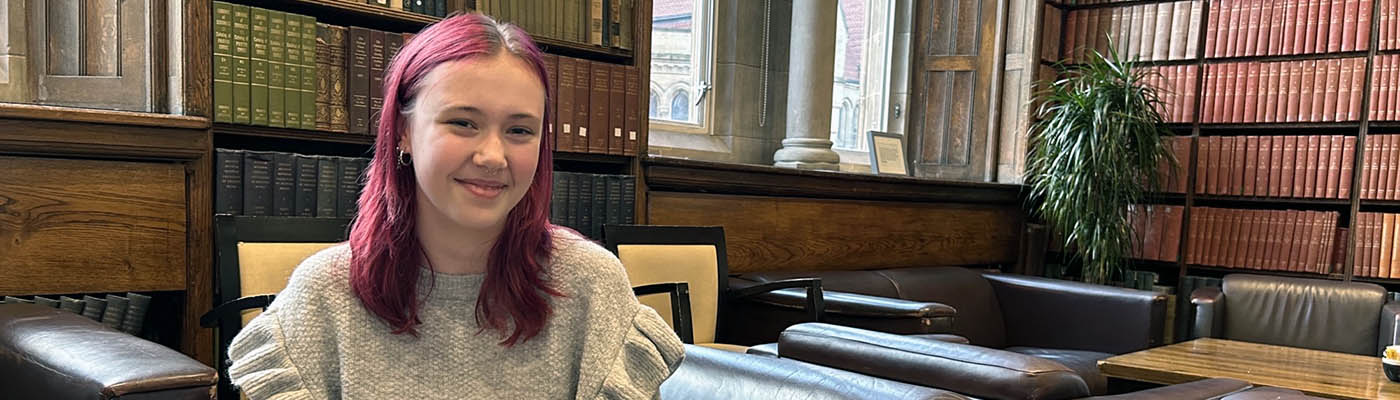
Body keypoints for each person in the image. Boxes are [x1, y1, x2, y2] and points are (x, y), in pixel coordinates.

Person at [227, 13, 684, 399]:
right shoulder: (323, 296)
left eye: (520, 131)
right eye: (463, 122)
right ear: (402, 131)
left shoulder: (591, 287)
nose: (492, 156)